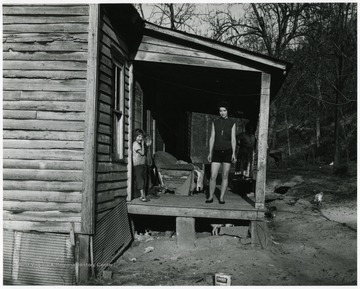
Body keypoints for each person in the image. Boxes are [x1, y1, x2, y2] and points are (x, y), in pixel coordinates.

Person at [206, 102, 236, 204]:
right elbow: (212, 137)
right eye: (220, 111)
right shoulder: (215, 122)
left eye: (224, 110)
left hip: (228, 151)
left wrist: (233, 153)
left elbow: (233, 139)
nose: (222, 113)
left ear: (227, 111)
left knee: (225, 175)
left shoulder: (232, 122)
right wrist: (210, 152)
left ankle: (222, 197)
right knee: (213, 175)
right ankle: (210, 196)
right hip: (217, 151)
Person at [132, 129, 149, 202]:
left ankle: (143, 195)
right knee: (140, 180)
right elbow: (142, 153)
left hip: (141, 165)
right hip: (138, 165)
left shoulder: (138, 144)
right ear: (135, 136)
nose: (140, 138)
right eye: (139, 136)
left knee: (143, 179)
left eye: (141, 137)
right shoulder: (135, 144)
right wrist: (142, 144)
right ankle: (142, 196)